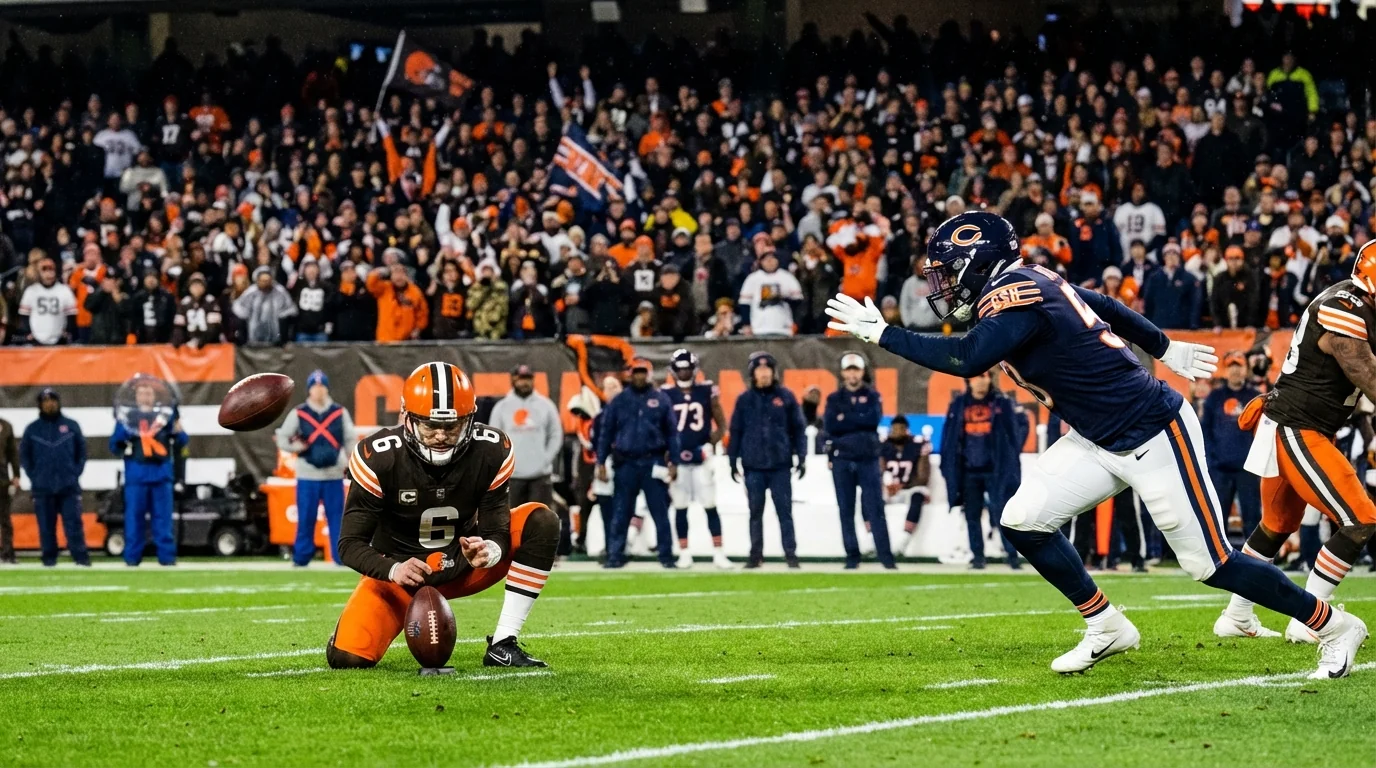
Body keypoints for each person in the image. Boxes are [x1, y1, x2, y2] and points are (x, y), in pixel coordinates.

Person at [825, 211, 1365, 678]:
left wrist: (884, 335)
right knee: (1023, 519)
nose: (941, 286)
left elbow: (968, 359)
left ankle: (1336, 626)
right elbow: (1100, 301)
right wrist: (1163, 345)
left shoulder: (1013, 297)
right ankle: (1105, 624)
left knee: (1211, 564)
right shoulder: (1030, 279)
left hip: (1153, 431)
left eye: (948, 272)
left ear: (977, 264)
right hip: (1097, 437)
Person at [331, 362, 558, 669]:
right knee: (348, 658)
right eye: (429, 426)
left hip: (463, 566)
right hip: (400, 576)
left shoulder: (491, 450)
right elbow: (349, 543)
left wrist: (490, 550)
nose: (440, 435)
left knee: (540, 521)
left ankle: (503, 643)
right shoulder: (379, 457)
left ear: (469, 420)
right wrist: (393, 569)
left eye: (451, 427)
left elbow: (497, 527)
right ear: (407, 418)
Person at [1219, 242, 1376, 645]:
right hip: (1298, 426)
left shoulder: (1358, 303)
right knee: (1360, 519)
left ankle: (1236, 616)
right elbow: (1364, 371)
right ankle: (1312, 618)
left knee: (1276, 525)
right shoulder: (1345, 306)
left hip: (1297, 423)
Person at [595, 359, 678, 569]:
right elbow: (605, 433)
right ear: (630, 374)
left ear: (649, 374)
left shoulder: (661, 399)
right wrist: (601, 461)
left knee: (659, 511)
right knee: (621, 511)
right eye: (636, 372)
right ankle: (615, 555)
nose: (640, 376)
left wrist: (674, 461)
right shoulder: (619, 400)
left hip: (654, 461)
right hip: (626, 462)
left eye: (643, 372)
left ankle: (666, 555)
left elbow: (672, 433)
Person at [728, 352, 806, 569]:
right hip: (753, 466)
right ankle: (755, 555)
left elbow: (798, 429)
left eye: (767, 370)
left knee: (785, 512)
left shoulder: (786, 397)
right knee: (755, 512)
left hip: (780, 465)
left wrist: (801, 456)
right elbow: (736, 431)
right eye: (759, 370)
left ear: (774, 373)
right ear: (752, 374)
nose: (763, 374)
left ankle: (791, 554)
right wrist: (732, 459)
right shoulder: (744, 400)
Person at [939, 370, 1024, 570]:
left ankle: (1012, 556)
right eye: (977, 376)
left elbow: (1015, 433)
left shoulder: (1002, 404)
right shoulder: (958, 405)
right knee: (972, 515)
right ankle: (978, 557)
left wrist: (1009, 461)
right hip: (968, 469)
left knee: (1003, 514)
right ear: (968, 380)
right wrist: (949, 468)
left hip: (996, 470)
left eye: (985, 376)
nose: (981, 381)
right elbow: (949, 439)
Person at [275, 370, 356, 566]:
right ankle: (301, 557)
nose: (318, 391)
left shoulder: (339, 412)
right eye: (314, 387)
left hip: (333, 474)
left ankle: (340, 557)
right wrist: (297, 447)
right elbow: (282, 437)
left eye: (321, 386)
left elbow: (350, 439)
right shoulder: (299, 412)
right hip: (307, 474)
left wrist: (351, 462)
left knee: (337, 518)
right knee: (306, 518)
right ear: (309, 390)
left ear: (326, 388)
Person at [661, 349, 731, 569]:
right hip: (678, 460)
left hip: (702, 456)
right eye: (680, 369)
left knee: (710, 504)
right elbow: (661, 429)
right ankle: (684, 552)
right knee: (680, 507)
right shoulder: (665, 394)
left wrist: (711, 444)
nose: (684, 373)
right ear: (673, 371)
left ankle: (718, 552)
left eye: (687, 369)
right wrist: (669, 456)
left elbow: (722, 424)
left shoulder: (707, 391)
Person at [824, 353, 892, 569]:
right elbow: (830, 425)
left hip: (867, 458)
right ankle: (852, 556)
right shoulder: (834, 399)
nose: (852, 374)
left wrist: (846, 419)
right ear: (843, 373)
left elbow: (872, 420)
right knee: (846, 508)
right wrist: (857, 421)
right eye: (849, 370)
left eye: (856, 369)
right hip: (843, 458)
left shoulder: (872, 396)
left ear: (863, 372)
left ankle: (886, 557)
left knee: (875, 508)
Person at [109, 375, 186, 566]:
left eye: (149, 392)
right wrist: (122, 435)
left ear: (155, 396)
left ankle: (167, 558)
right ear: (136, 396)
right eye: (142, 392)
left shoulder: (165, 417)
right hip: (137, 474)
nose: (145, 396)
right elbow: (114, 447)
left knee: (163, 520)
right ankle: (132, 559)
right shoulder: (128, 419)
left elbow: (182, 442)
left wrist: (178, 430)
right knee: (134, 519)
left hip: (161, 474)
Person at [20, 389, 89, 567]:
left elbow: (81, 452)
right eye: (45, 401)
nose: (49, 404)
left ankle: (80, 557)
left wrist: (74, 473)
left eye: (53, 400)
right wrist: (34, 476)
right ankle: (49, 559)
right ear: (40, 404)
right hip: (42, 488)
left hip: (68, 487)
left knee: (73, 524)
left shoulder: (71, 426)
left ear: (58, 402)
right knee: (46, 526)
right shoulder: (32, 429)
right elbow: (25, 457)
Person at [1202, 352, 1262, 547]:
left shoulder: (1255, 397)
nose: (1235, 370)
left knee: (1252, 516)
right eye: (1231, 366)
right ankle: (1218, 556)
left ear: (1246, 369)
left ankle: (1255, 557)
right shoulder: (1215, 397)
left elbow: (1264, 430)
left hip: (1248, 468)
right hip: (1220, 468)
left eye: (1239, 365)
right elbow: (1205, 431)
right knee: (1218, 517)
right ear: (1226, 370)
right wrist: (1211, 461)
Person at [488, 365, 563, 513]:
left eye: (528, 379)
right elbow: (494, 439)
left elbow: (556, 435)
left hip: (540, 476)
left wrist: (545, 459)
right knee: (511, 520)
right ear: (513, 380)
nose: (524, 383)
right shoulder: (501, 407)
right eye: (521, 379)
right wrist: (505, 464)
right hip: (512, 477)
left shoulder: (546, 405)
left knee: (540, 522)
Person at [883, 416, 931, 558]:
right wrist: (886, 484)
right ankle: (870, 538)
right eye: (894, 429)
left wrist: (902, 485)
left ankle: (904, 539)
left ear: (906, 430)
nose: (897, 432)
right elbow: (878, 472)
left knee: (918, 496)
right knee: (869, 496)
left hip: (910, 488)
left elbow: (923, 477)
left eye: (900, 429)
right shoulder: (884, 445)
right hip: (890, 489)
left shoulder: (918, 445)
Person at [17, 256, 77, 345]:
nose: (48, 273)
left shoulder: (64, 291)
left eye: (51, 269)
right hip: (36, 339)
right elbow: (24, 315)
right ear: (39, 272)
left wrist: (67, 332)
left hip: (59, 339)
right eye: (44, 269)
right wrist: (28, 333)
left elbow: (71, 315)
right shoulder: (31, 291)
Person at [0, 413, 18, 563]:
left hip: (2, 480)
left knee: (5, 518)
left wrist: (16, 474)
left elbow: (12, 452)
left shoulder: (5, 426)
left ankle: (7, 553)